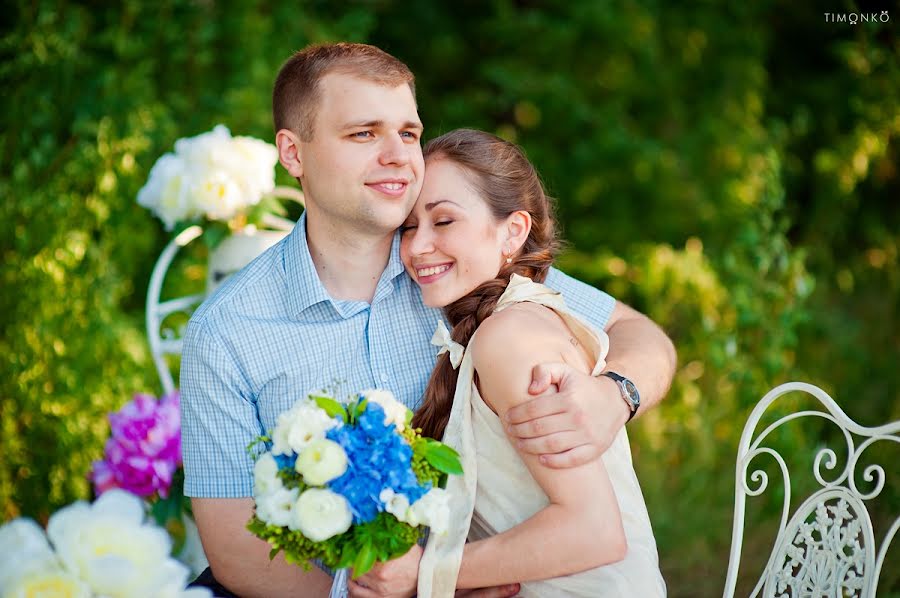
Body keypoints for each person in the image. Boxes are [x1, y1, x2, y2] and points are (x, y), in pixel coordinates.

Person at [181, 43, 676, 598]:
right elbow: (233, 545)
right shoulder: (225, 330)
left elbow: (639, 334)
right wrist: (404, 589)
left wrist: (617, 393)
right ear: (293, 154)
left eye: (409, 134)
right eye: (364, 133)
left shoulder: (456, 264)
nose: (398, 156)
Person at [347, 130, 667, 598]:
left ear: (514, 231)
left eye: (444, 221)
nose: (416, 248)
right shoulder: (507, 318)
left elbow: (593, 530)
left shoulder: (510, 336)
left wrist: (425, 572)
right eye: (409, 227)